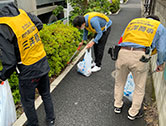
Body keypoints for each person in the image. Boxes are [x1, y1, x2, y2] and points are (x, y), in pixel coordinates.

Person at [0, 3, 55, 126]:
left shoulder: (3, 26)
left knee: (27, 101)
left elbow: (9, 63)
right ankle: (51, 119)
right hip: (41, 59)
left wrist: (2, 76)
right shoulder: (22, 13)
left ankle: (33, 123)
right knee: (45, 93)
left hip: (28, 69)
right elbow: (39, 25)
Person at [114, 15, 166, 120]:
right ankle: (133, 113)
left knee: (119, 82)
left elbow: (121, 38)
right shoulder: (159, 27)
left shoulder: (134, 21)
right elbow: (162, 50)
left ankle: (117, 105)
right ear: (156, 21)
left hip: (123, 52)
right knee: (139, 87)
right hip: (140, 56)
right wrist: (160, 63)